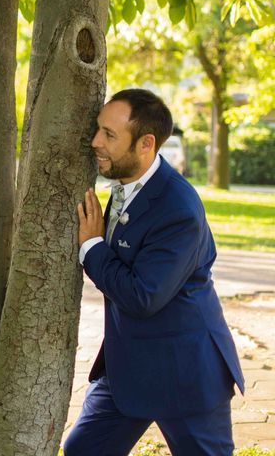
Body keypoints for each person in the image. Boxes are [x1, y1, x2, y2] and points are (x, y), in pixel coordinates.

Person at [64, 89, 244, 455]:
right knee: (83, 449)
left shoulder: (178, 208)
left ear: (146, 144)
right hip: (128, 367)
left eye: (109, 135)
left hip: (186, 370)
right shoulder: (127, 184)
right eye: (99, 129)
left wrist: (92, 247)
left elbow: (142, 296)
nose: (95, 141)